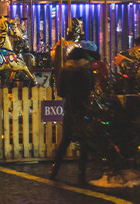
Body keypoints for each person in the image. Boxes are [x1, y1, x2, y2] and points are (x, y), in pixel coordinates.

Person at [50, 46, 98, 185]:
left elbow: (61, 91)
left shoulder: (65, 70)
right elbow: (91, 87)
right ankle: (81, 173)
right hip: (84, 108)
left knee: (65, 140)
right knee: (84, 141)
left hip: (70, 108)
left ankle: (54, 170)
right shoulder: (87, 70)